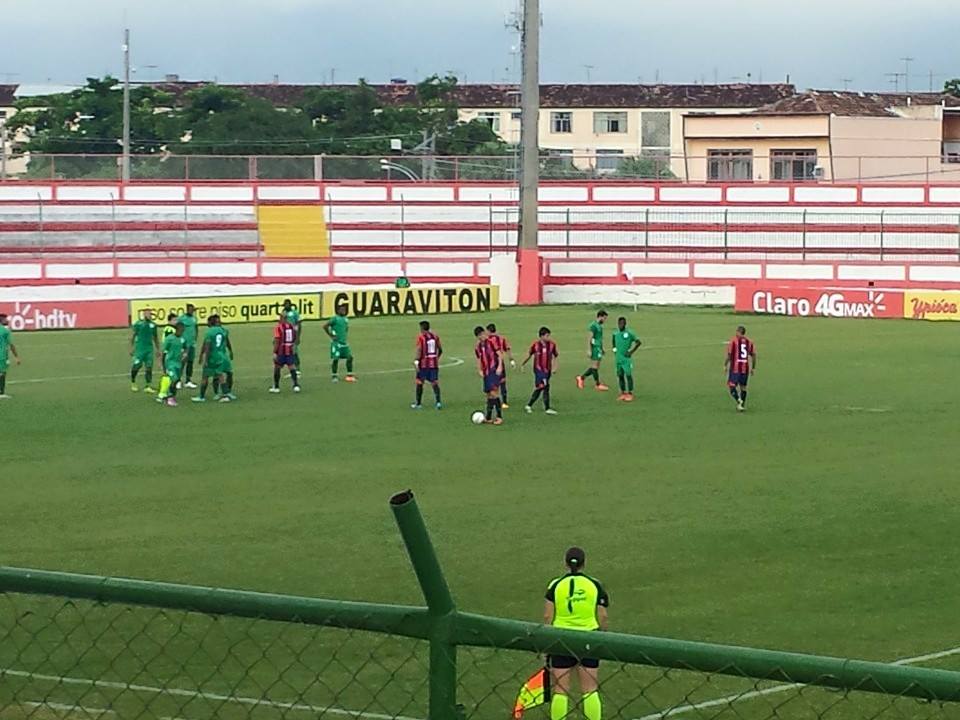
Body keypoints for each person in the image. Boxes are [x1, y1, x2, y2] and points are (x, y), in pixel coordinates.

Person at [544, 547, 609, 720]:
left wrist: (548, 642)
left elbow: (548, 616)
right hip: (589, 639)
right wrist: (601, 635)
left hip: (561, 639)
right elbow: (603, 615)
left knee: (560, 690)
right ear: (584, 563)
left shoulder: (555, 584)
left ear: (565, 563)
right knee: (589, 689)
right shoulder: (594, 584)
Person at [193, 315, 235, 403]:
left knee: (205, 376)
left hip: (213, 356)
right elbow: (227, 341)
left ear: (210, 322)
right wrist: (230, 351)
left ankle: (201, 396)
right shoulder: (223, 330)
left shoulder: (209, 332)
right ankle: (226, 394)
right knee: (221, 375)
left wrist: (205, 358)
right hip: (222, 355)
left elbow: (207, 346)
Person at [522, 326, 559, 415]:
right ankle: (534, 406)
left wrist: (555, 367)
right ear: (541, 336)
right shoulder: (535, 345)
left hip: (548, 370)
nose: (548, 338)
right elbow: (529, 354)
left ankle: (540, 407)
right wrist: (523, 364)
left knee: (544, 387)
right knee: (543, 386)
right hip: (539, 370)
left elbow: (555, 356)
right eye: (547, 336)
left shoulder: (552, 345)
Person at [475, 326, 504, 425]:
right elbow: (479, 358)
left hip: (493, 370)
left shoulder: (492, 342)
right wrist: (479, 370)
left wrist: (500, 366)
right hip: (486, 372)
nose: (481, 337)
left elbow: (499, 354)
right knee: (488, 395)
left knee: (494, 393)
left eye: (482, 334)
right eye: (479, 336)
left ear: (484, 333)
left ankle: (499, 417)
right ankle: (488, 417)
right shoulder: (478, 346)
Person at [725, 325, 757, 412]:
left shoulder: (733, 341)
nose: (736, 333)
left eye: (737, 332)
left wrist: (725, 365)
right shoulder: (749, 342)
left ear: (739, 332)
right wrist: (753, 368)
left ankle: (739, 400)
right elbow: (754, 355)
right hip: (745, 368)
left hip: (735, 368)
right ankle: (741, 405)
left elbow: (729, 355)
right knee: (743, 387)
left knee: (731, 386)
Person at [412, 320, 443, 410]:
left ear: (421, 328)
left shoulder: (421, 338)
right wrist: (435, 359)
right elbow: (440, 349)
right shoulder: (435, 336)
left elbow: (419, 350)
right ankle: (438, 403)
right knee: (434, 382)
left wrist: (416, 362)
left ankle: (418, 404)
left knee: (419, 382)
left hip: (424, 364)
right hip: (433, 364)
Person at [576, 311, 609, 392]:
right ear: (600, 317)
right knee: (594, 366)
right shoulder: (593, 326)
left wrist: (602, 348)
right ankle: (597, 384)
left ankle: (581, 378)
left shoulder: (599, 326)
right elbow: (589, 338)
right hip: (594, 348)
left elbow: (599, 339)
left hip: (598, 348)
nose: (605, 320)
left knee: (596, 366)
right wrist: (589, 349)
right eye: (604, 318)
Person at [611, 317, 642, 402]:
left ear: (625, 324)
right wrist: (614, 350)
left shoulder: (629, 333)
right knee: (620, 375)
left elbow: (638, 342)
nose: (620, 325)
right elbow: (613, 341)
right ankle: (623, 393)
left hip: (626, 359)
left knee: (628, 375)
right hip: (618, 359)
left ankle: (630, 393)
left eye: (622, 323)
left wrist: (631, 352)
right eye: (619, 323)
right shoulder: (615, 333)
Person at [130, 309, 160, 394]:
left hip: (149, 350)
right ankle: (133, 382)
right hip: (140, 349)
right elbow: (133, 336)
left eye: (150, 314)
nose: (149, 315)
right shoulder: (138, 324)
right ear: (144, 315)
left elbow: (155, 337)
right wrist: (131, 348)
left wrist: (158, 349)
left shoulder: (153, 325)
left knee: (149, 367)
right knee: (137, 366)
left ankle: (148, 386)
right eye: (147, 314)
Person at [486, 323, 515, 408]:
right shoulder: (502, 339)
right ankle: (504, 402)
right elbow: (508, 349)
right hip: (500, 364)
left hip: (491, 365)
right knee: (502, 383)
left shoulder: (488, 340)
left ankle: (492, 401)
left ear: (488, 331)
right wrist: (511, 360)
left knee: (492, 384)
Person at [157, 322, 187, 407]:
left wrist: (185, 353)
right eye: (181, 330)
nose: (182, 332)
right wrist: (161, 363)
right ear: (177, 329)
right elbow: (163, 352)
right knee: (173, 379)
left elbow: (186, 347)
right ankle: (169, 397)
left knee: (177, 379)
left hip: (178, 363)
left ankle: (170, 397)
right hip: (170, 363)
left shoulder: (183, 339)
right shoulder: (169, 338)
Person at [324, 304, 355, 383]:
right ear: (338, 311)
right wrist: (331, 335)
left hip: (344, 343)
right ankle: (334, 376)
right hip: (336, 343)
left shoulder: (346, 319)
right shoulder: (334, 319)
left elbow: (346, 329)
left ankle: (349, 375)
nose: (343, 311)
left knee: (350, 358)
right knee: (335, 359)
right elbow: (325, 326)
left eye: (344, 310)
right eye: (341, 310)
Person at [271, 314, 301, 393]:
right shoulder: (291, 326)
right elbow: (294, 337)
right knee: (292, 367)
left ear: (281, 318)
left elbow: (277, 340)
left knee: (277, 367)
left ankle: (276, 387)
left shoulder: (278, 327)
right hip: (289, 349)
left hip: (281, 350)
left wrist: (274, 352)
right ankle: (296, 385)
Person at [177, 304, 200, 389]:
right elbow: (177, 329)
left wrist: (195, 338)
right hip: (184, 344)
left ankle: (188, 380)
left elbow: (196, 328)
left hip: (192, 344)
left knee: (190, 362)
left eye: (193, 310)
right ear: (187, 310)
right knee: (182, 362)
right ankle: (178, 380)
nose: (192, 311)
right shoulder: (182, 319)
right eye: (190, 309)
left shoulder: (194, 318)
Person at [0, 313, 21, 399]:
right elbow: (11, 345)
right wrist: (16, 357)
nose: (7, 320)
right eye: (5, 319)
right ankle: (1, 393)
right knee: (2, 373)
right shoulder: (5, 331)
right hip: (1, 355)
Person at [282, 298, 303, 374]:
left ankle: (298, 369)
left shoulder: (295, 313)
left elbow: (299, 324)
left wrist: (298, 337)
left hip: (293, 335)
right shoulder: (283, 313)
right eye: (284, 305)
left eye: (286, 304)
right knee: (288, 353)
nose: (285, 306)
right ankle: (292, 370)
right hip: (286, 336)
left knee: (294, 352)